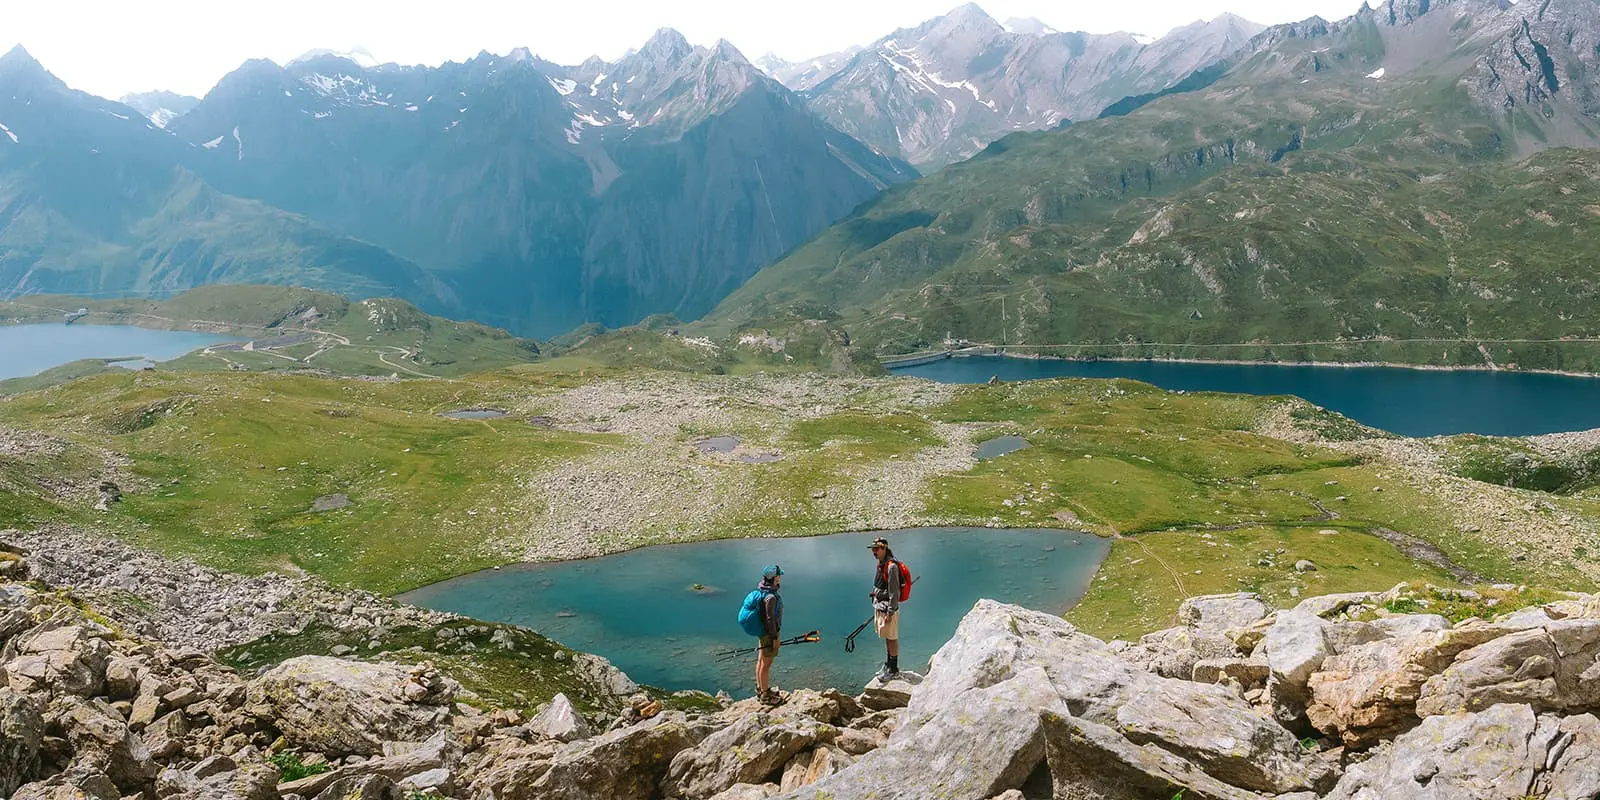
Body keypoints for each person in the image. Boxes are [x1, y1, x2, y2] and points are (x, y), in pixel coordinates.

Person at [868, 537, 902, 680]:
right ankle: (888, 664)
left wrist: (890, 611)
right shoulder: (881, 564)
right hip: (880, 606)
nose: (874, 552)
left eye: (877, 549)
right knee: (887, 637)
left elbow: (894, 592)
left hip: (888, 609)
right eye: (873, 549)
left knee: (892, 637)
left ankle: (893, 669)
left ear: (884, 549)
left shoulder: (891, 567)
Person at [755, 564, 785, 704]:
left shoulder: (762, 590)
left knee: (761, 660)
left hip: (762, 632)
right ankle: (765, 696)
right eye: (779, 576)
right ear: (774, 578)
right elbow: (770, 619)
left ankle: (761, 688)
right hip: (769, 634)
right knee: (766, 664)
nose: (780, 578)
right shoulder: (771, 597)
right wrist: (774, 638)